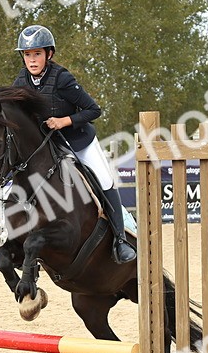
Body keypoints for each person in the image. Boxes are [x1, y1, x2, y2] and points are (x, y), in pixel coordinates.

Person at [11, 24, 135, 263]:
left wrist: (64, 121)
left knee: (104, 180)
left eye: (37, 53)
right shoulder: (20, 81)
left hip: (78, 140)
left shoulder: (62, 78)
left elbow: (93, 110)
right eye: (27, 54)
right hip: (48, 145)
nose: (32, 60)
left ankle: (120, 241)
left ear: (49, 54)